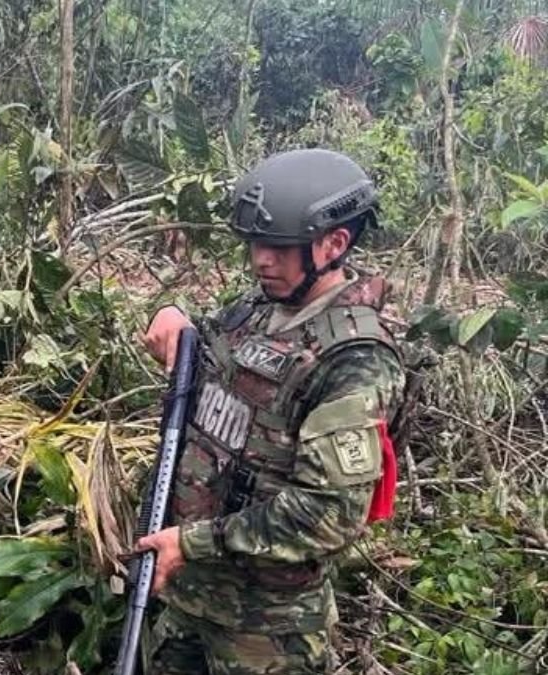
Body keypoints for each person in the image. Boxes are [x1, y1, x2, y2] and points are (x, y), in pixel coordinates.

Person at [134, 149, 407, 674]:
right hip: (190, 598)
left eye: (279, 248)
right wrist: (170, 316)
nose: (261, 260)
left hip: (268, 630)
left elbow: (326, 516)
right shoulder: (259, 309)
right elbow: (201, 354)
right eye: (257, 244)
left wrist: (192, 542)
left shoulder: (356, 359)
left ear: (334, 244)